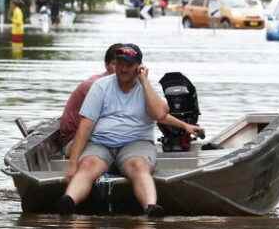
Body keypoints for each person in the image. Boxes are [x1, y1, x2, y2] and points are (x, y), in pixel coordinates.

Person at [59, 44, 203, 217]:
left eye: (128, 65)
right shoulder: (100, 86)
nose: (123, 69)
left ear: (139, 67)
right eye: (120, 64)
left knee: (139, 166)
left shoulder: (146, 89)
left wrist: (144, 82)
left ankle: (151, 207)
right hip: (101, 143)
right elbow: (85, 126)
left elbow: (159, 114)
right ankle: (68, 202)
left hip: (136, 144)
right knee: (87, 165)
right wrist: (72, 164)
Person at [58, 43, 123, 147]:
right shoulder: (95, 86)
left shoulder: (115, 85)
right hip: (74, 138)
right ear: (106, 65)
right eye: (115, 64)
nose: (121, 69)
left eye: (124, 64)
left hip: (93, 135)